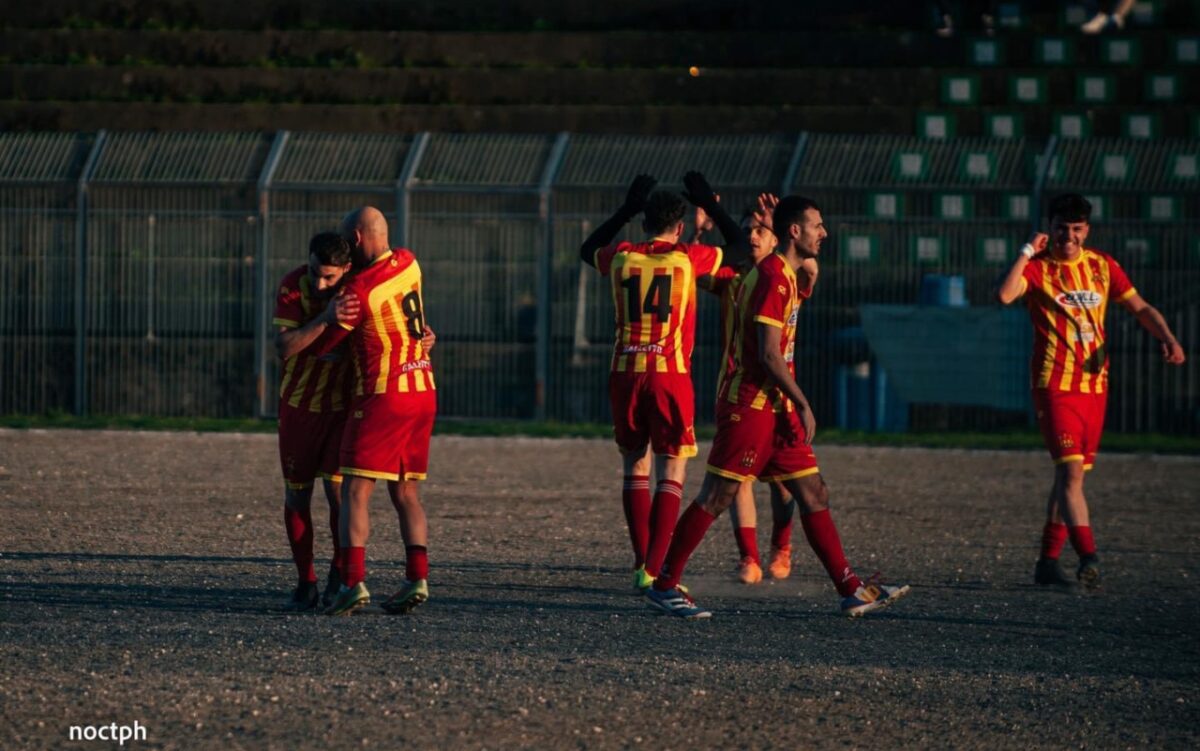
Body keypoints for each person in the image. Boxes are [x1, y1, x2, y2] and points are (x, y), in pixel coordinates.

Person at [646, 196, 911, 619]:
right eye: (817, 225)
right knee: (717, 495)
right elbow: (769, 355)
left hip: (775, 406)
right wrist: (804, 402)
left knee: (813, 490)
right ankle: (664, 584)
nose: (824, 233)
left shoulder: (784, 272)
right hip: (749, 404)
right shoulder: (772, 278)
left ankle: (851, 589)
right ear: (796, 231)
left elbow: (809, 270)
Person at [996, 193, 1186, 589]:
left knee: (1072, 479)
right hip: (1055, 385)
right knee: (1069, 473)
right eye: (1061, 228)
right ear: (1050, 228)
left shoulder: (1102, 266)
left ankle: (1047, 563)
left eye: (1076, 230)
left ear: (1087, 230)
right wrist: (1027, 250)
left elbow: (1141, 308)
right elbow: (1005, 294)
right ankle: (1089, 556)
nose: (1068, 237)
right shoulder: (1038, 269)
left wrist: (1167, 336)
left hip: (1094, 387)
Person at [580, 172, 748, 591]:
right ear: (679, 226)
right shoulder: (688, 258)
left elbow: (588, 250)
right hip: (669, 375)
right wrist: (711, 202)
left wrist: (624, 208)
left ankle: (641, 564)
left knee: (634, 464)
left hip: (624, 373)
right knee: (671, 469)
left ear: (643, 223)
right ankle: (655, 572)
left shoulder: (621, 256)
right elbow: (742, 251)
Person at [314, 206, 439, 616]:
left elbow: (322, 346)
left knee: (354, 489)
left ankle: (352, 582)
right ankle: (416, 577)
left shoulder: (358, 290)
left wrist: (312, 325)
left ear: (353, 240)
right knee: (406, 491)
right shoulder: (410, 261)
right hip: (423, 388)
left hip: (384, 394)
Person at [695, 198, 813, 585]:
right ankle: (748, 558)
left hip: (777, 393)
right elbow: (691, 273)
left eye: (760, 229)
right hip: (741, 392)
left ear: (777, 234)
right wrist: (699, 233)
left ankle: (781, 545)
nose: (751, 235)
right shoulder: (734, 278)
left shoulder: (787, 274)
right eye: (746, 230)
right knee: (736, 481)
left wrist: (777, 223)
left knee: (784, 484)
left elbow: (813, 266)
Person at [272, 232, 354, 611]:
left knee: (340, 495)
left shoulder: (359, 288)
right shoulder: (293, 284)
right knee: (297, 495)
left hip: (340, 411)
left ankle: (340, 573)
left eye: (329, 278)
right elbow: (285, 348)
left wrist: (422, 341)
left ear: (346, 271)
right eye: (315, 273)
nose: (320, 283)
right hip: (298, 409)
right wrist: (324, 319)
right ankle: (305, 582)